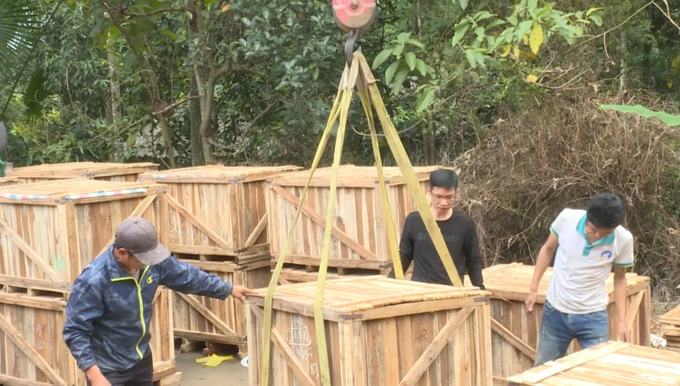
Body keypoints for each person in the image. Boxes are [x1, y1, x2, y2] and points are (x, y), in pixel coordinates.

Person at [63, 217, 257, 386]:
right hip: (108, 367)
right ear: (122, 253)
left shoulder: (153, 264)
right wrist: (95, 376)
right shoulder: (94, 280)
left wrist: (228, 288)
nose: (150, 261)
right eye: (144, 258)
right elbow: (75, 330)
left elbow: (188, 277)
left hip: (140, 359)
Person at [526, 193, 634, 367]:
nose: (597, 236)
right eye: (592, 230)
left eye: (604, 233)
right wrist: (533, 289)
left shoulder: (624, 239)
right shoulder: (567, 219)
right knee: (542, 370)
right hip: (556, 313)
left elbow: (620, 279)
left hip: (593, 316)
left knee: (598, 372)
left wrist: (622, 320)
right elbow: (547, 250)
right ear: (587, 217)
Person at [387, 168, 485, 289]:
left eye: (449, 197)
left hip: (453, 291)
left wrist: (479, 286)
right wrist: (390, 282)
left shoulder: (465, 224)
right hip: (420, 291)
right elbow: (404, 256)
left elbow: (473, 260)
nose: (444, 203)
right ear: (429, 192)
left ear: (456, 192)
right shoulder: (414, 221)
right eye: (438, 197)